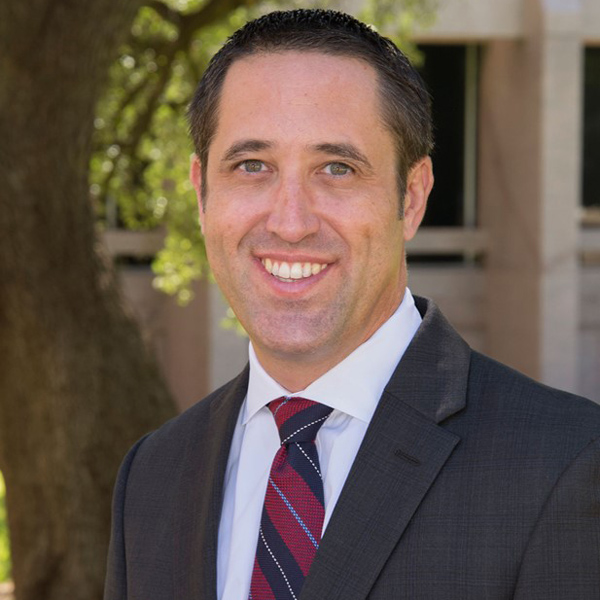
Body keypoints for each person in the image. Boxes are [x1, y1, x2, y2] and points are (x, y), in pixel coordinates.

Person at [104, 9, 600, 600]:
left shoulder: (566, 464)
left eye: (337, 168)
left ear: (410, 197)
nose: (290, 222)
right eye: (251, 166)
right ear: (202, 193)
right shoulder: (153, 476)